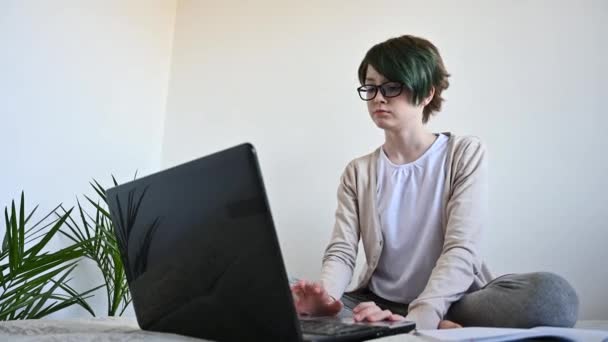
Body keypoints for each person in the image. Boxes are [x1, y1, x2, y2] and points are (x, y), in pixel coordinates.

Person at [290, 34, 579, 330]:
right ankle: (399, 322)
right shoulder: (358, 171)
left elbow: (462, 249)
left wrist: (422, 315)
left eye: (392, 87)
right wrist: (326, 299)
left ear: (427, 94)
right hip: (378, 302)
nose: (378, 97)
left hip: (452, 301)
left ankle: (418, 321)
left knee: (552, 297)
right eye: (371, 87)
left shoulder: (463, 153)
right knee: (281, 287)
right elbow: (341, 251)